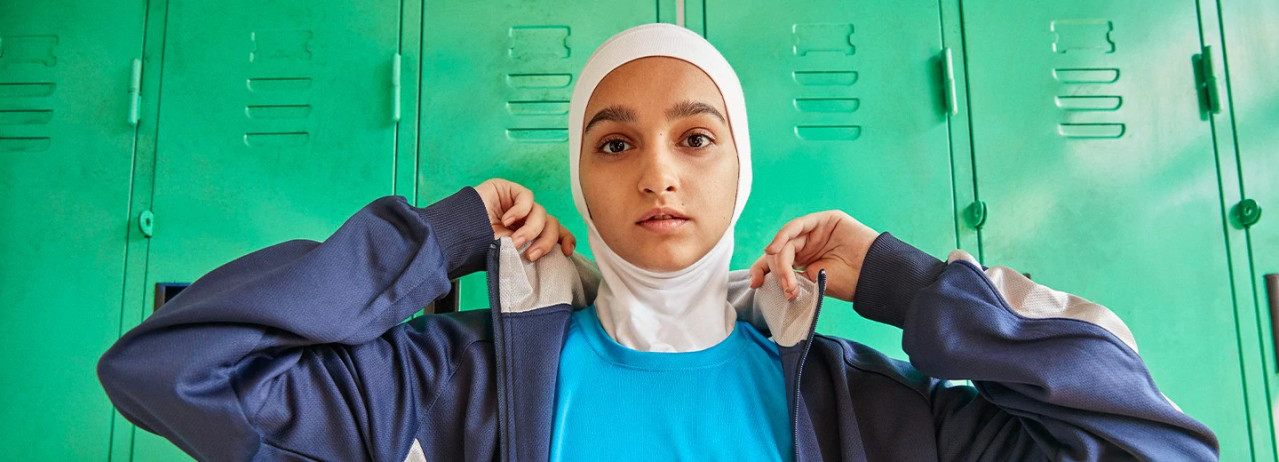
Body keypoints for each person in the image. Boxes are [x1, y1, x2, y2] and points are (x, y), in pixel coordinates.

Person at [98, 23, 1218, 461]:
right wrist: (440, 239)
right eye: (615, 142)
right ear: (579, 180)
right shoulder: (452, 382)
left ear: (741, 173)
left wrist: (905, 283)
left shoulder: (857, 403)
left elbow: (1153, 452)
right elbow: (169, 367)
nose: (660, 173)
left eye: (695, 137)